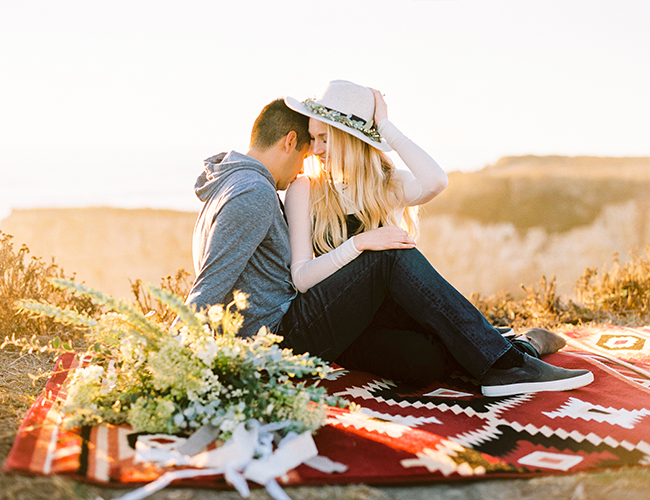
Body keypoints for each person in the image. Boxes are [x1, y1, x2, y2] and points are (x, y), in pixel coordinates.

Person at [185, 86, 593, 398]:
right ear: (292, 141)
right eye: (313, 143)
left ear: (348, 138)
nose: (314, 156)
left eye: (326, 140)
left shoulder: (250, 184)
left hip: (351, 314)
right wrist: (172, 359)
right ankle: (506, 359)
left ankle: (507, 349)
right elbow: (231, 283)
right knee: (391, 257)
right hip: (291, 331)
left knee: (423, 363)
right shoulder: (265, 191)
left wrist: (387, 127)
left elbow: (434, 181)